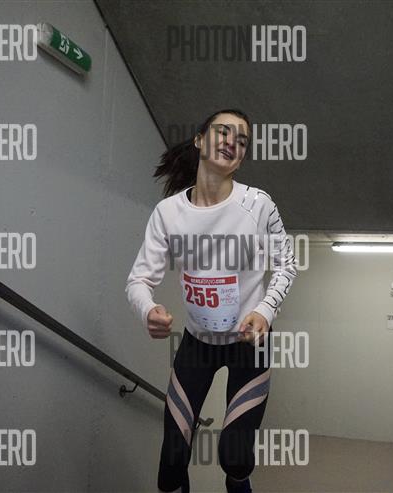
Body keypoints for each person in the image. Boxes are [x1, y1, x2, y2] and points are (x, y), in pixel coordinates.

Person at [125, 109, 298, 493]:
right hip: (197, 345)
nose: (232, 142)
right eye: (224, 132)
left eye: (242, 140)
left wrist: (264, 312)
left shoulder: (258, 204)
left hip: (249, 346)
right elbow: (138, 280)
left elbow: (287, 265)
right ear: (200, 140)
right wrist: (148, 309)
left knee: (234, 456)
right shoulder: (168, 213)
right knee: (171, 463)